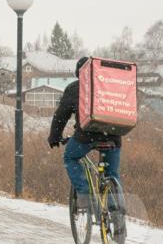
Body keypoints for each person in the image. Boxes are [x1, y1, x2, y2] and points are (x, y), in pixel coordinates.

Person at [47, 57, 121, 209]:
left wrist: (54, 136)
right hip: (113, 136)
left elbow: (61, 115)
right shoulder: (110, 86)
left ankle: (85, 195)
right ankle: (117, 218)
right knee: (111, 174)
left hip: (86, 137)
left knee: (70, 157)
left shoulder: (75, 88)